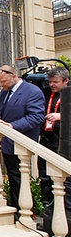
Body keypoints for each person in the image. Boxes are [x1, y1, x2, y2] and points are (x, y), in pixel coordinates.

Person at [0, 65, 45, 210]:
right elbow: (0, 110)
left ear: (14, 76)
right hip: (4, 136)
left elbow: (36, 117)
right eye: (0, 83)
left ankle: (19, 210)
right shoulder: (6, 91)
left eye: (4, 82)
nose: (2, 85)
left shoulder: (32, 92)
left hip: (19, 140)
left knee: (15, 177)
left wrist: (12, 125)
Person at [38, 67, 69, 208]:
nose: (52, 85)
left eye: (55, 82)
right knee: (44, 176)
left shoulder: (69, 95)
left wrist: (61, 116)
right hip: (46, 139)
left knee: (63, 178)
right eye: (50, 82)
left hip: (62, 143)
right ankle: (47, 209)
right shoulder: (46, 94)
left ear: (66, 81)